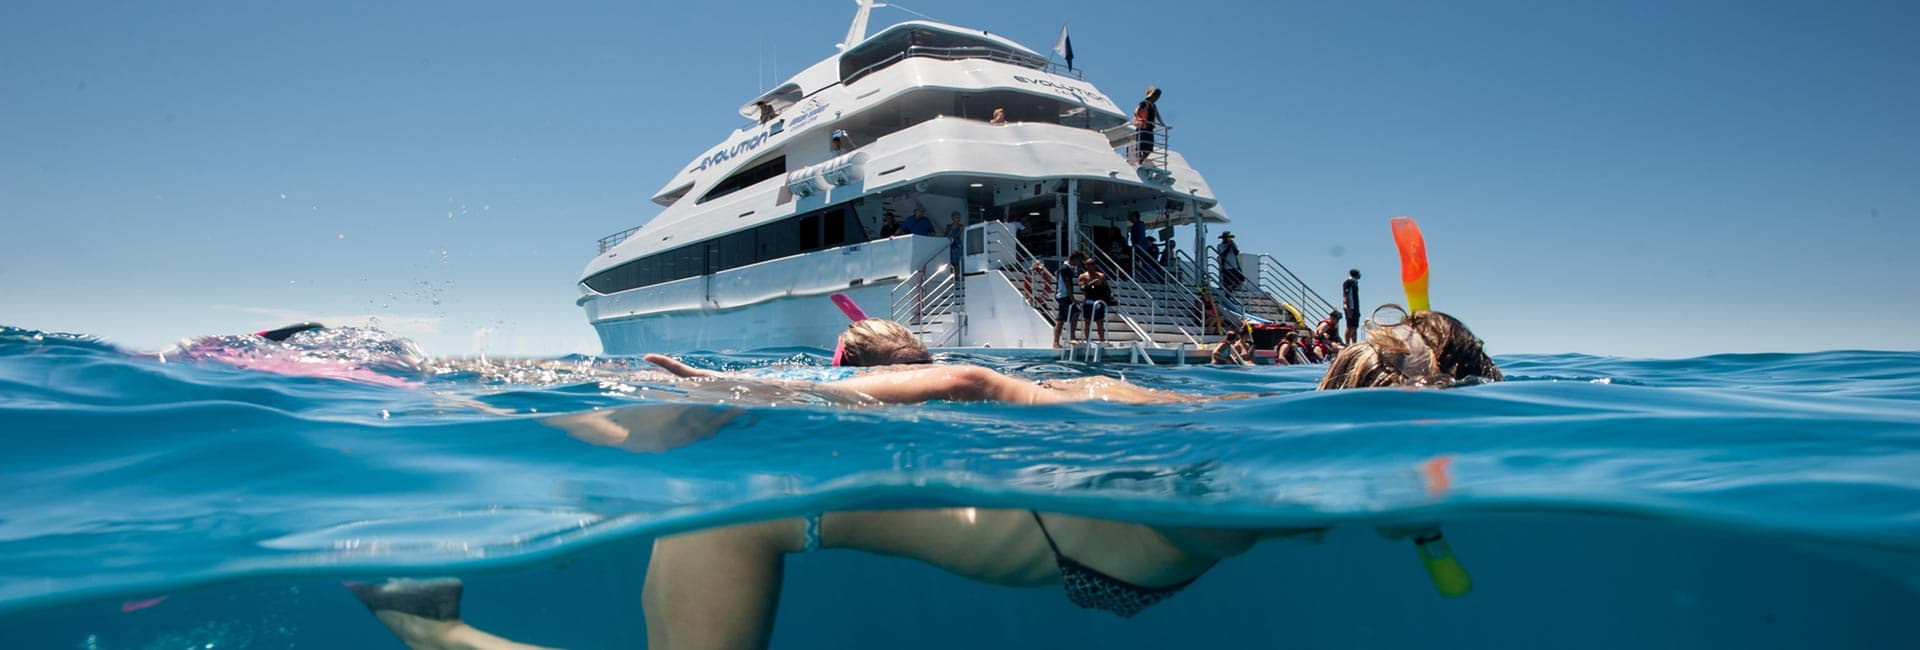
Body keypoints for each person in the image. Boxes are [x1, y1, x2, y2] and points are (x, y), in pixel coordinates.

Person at [352, 308, 1503, 650]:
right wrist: (777, 397)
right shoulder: (1239, 443)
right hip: (793, 503)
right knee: (686, 448)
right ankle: (427, 619)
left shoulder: (1335, 466)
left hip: (1045, 535)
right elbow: (985, 389)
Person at [1078, 261, 1113, 345]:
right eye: (1089, 265)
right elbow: (1082, 288)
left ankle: (1102, 340)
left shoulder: (1101, 276)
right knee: (1087, 321)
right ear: (1086, 266)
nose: (1091, 267)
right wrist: (1092, 283)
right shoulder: (1083, 276)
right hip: (1088, 300)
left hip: (1098, 300)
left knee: (1100, 321)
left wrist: (1100, 285)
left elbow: (1107, 289)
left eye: (1092, 265)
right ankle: (1087, 341)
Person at [1132, 86, 1169, 165]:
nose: (1156, 98)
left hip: (1150, 129)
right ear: (1151, 95)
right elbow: (1135, 111)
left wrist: (1164, 125)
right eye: (1155, 96)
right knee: (1140, 146)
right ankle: (1138, 159)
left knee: (1149, 149)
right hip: (1142, 127)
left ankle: (1140, 160)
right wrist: (1139, 118)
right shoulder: (1143, 103)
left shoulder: (1154, 106)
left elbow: (1158, 117)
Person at [1051, 253, 1083, 347]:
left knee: (1060, 320)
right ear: (1074, 259)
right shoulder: (1066, 268)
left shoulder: (1063, 268)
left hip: (1060, 295)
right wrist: (1072, 299)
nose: (1078, 263)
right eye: (1078, 260)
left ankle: (1055, 342)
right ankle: (1072, 337)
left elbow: (1056, 273)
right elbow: (1067, 284)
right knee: (1076, 313)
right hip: (1064, 296)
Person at [1342, 269, 1362, 344]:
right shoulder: (1348, 282)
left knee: (1355, 327)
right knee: (1349, 326)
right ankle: (1347, 343)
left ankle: (1354, 343)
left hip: (1356, 308)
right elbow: (1345, 295)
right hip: (1350, 307)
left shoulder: (1355, 283)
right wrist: (1348, 308)